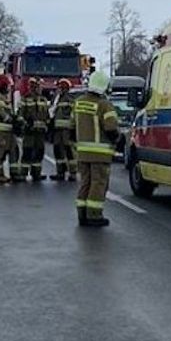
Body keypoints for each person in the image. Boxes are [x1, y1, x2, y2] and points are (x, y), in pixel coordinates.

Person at [71, 71, 120, 226]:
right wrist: (117, 140)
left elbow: (72, 127)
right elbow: (111, 128)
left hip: (82, 153)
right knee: (98, 183)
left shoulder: (78, 102)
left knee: (85, 182)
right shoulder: (104, 105)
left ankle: (82, 213)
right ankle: (94, 214)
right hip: (101, 154)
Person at [0, 75, 22, 183]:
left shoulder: (3, 97)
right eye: (7, 86)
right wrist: (10, 119)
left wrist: (15, 119)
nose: (8, 88)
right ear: (2, 85)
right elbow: (0, 112)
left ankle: (14, 173)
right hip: (2, 131)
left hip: (9, 130)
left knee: (13, 151)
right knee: (1, 153)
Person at [19, 77, 50, 181]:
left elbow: (46, 115)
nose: (40, 88)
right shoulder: (25, 99)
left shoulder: (43, 100)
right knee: (27, 152)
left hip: (40, 132)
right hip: (29, 132)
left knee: (39, 152)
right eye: (38, 86)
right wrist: (25, 125)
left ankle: (36, 173)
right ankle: (23, 174)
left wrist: (48, 126)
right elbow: (20, 115)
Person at [49, 78, 78, 181]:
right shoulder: (57, 99)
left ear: (65, 88)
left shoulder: (69, 99)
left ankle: (73, 173)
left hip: (67, 130)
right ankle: (60, 172)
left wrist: (72, 129)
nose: (58, 89)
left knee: (69, 150)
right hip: (58, 129)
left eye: (60, 87)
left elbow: (72, 114)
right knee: (58, 150)